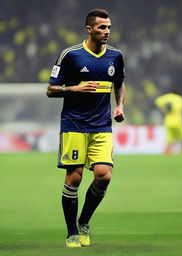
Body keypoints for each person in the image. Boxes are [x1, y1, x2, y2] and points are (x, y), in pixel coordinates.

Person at [46, 9, 125, 248]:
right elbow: (50, 90)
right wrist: (74, 89)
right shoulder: (70, 55)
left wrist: (120, 105)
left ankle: (84, 222)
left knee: (104, 176)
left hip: (102, 125)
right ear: (89, 29)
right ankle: (71, 232)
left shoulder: (116, 56)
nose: (107, 32)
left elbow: (119, 83)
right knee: (75, 177)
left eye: (109, 27)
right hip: (74, 124)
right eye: (102, 27)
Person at [155, 89, 182, 155]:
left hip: (168, 121)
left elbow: (157, 101)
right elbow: (181, 111)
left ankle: (166, 152)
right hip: (177, 120)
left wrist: (164, 108)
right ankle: (178, 151)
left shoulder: (168, 97)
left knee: (170, 139)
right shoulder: (180, 99)